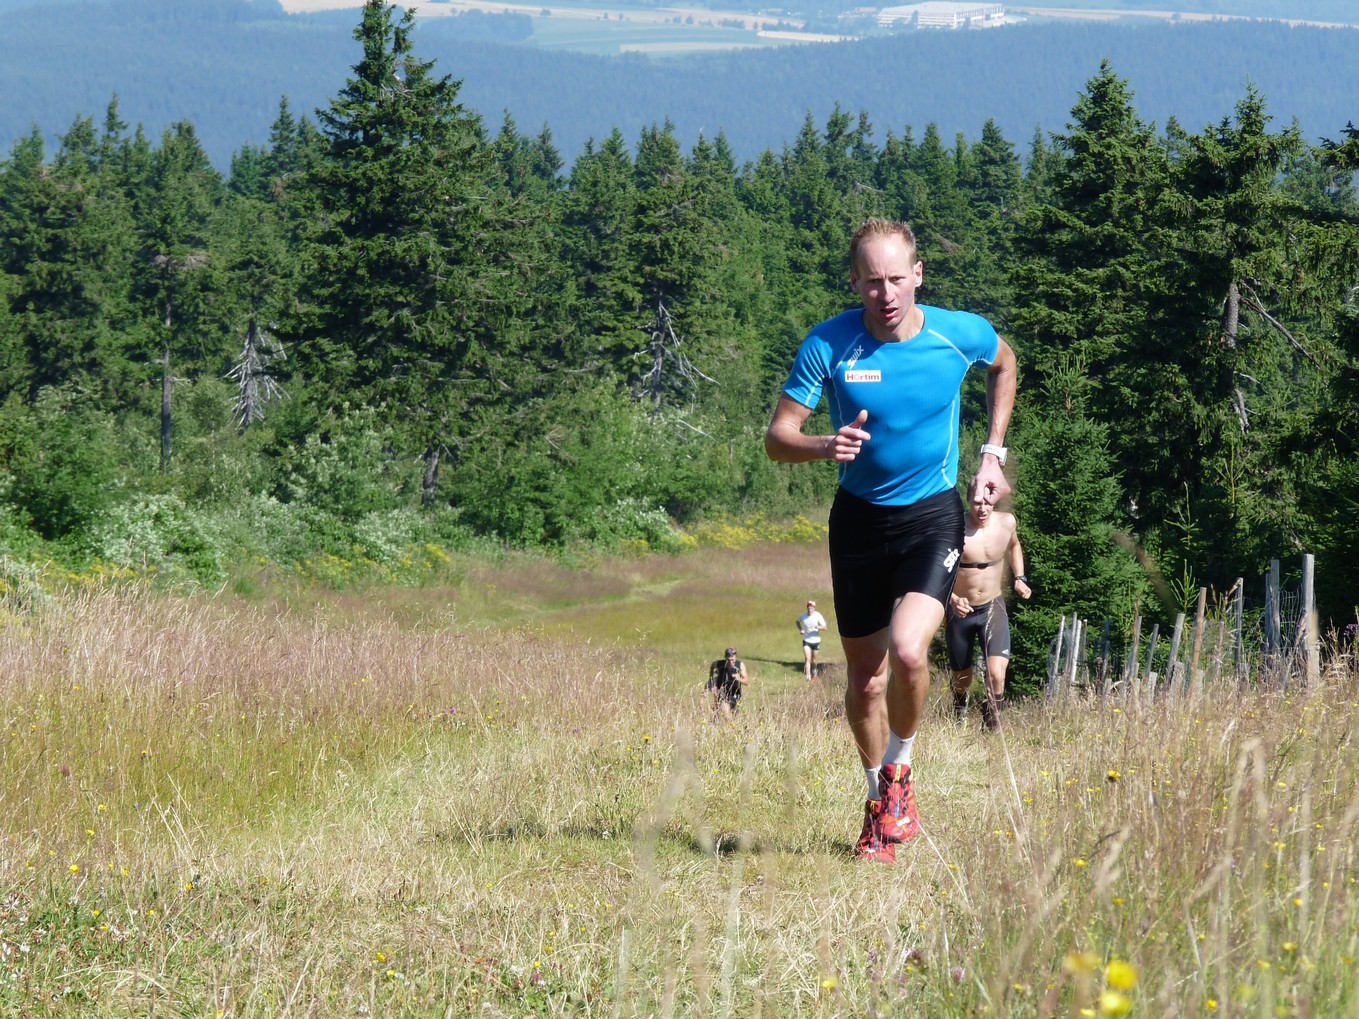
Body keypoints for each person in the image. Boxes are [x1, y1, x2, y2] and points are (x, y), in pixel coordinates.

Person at [764, 217, 1016, 863]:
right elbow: (777, 438)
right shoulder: (829, 343)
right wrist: (823, 445)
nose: (886, 293)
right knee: (866, 680)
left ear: (918, 275)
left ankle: (901, 770)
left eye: (897, 279)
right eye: (872, 281)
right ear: (855, 282)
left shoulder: (955, 334)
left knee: (908, 650)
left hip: (931, 516)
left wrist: (991, 453)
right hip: (857, 522)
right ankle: (878, 801)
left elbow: (1004, 362)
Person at [947, 478, 1032, 731]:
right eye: (977, 503)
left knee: (997, 674)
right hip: (961, 611)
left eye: (987, 502)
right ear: (968, 501)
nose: (982, 508)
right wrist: (952, 599)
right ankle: (958, 715)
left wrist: (1020, 577)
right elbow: (938, 571)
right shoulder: (955, 529)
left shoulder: (1007, 523)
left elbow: (1014, 546)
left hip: (992, 606)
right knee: (962, 678)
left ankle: (990, 729)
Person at [706, 647, 748, 720]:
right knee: (726, 713)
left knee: (733, 716)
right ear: (725, 658)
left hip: (735, 693)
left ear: (735, 657)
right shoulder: (719, 664)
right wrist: (711, 681)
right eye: (728, 660)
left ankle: (721, 723)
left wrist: (739, 678)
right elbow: (712, 666)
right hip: (722, 692)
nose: (731, 662)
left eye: (733, 660)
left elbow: (746, 682)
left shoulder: (740, 665)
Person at [797, 599, 828, 681]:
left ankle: (814, 672)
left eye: (811, 607)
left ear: (814, 608)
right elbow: (797, 621)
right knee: (807, 659)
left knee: (814, 660)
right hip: (806, 640)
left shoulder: (818, 616)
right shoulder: (803, 616)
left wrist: (817, 627)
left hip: (816, 641)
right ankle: (808, 677)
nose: (810, 608)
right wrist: (801, 629)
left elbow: (825, 627)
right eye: (808, 606)